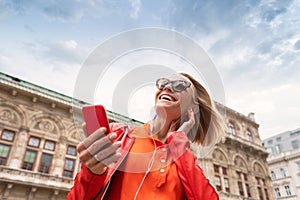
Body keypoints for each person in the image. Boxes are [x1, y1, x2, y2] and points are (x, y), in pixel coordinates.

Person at [68, 72, 224, 200]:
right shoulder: (119, 136)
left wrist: (178, 141)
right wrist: (92, 173)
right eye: (163, 83)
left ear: (193, 108)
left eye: (179, 85)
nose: (167, 87)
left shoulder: (185, 159)